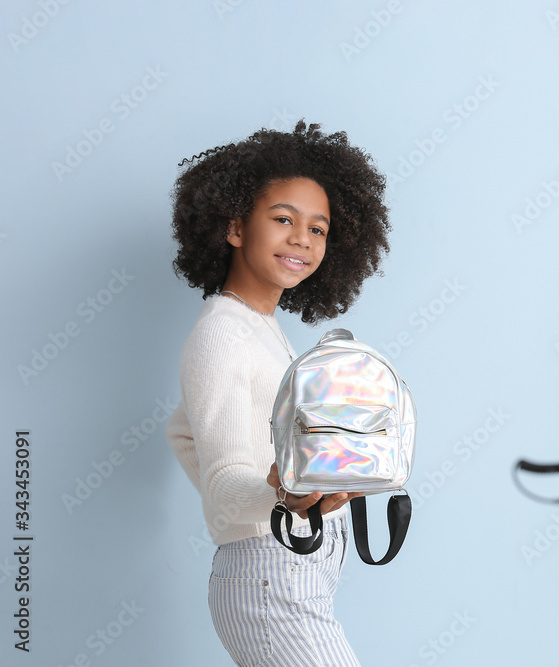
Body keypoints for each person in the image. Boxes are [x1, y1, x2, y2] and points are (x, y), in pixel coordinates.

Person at [164, 119, 392, 666]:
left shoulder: (261, 329)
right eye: (284, 219)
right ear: (236, 227)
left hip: (291, 575)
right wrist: (284, 497)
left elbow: (182, 431)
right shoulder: (223, 331)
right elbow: (224, 486)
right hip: (272, 581)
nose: (302, 239)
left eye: (318, 229)